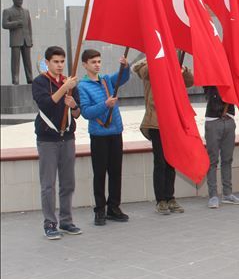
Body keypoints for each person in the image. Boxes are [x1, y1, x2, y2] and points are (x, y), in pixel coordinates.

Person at [32, 46, 81, 239]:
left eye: (62, 61)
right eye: (56, 62)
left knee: (68, 182)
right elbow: (46, 103)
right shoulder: (40, 82)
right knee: (48, 184)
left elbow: (77, 113)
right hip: (47, 140)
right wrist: (64, 88)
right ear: (48, 62)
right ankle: (50, 223)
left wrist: (74, 105)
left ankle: (66, 221)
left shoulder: (70, 83)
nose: (60, 65)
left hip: (67, 137)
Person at [78, 49, 130, 226]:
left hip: (116, 132)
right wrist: (105, 104)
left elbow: (122, 78)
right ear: (85, 65)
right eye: (93, 62)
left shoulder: (106, 80)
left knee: (116, 172)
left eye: (99, 61)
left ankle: (114, 207)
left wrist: (125, 66)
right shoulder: (82, 86)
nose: (97, 65)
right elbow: (86, 112)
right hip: (99, 135)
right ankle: (99, 210)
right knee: (99, 173)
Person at [133, 59, 192, 214]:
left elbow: (190, 82)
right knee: (160, 161)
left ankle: (170, 197)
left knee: (171, 161)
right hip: (156, 122)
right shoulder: (147, 65)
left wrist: (183, 70)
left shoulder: (173, 65)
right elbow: (146, 72)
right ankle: (161, 200)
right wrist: (161, 61)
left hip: (172, 121)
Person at [203, 85, 239, 208]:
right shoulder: (210, 77)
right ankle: (213, 195)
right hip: (213, 120)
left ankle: (227, 193)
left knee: (227, 159)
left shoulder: (230, 74)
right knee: (212, 160)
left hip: (229, 120)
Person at [2, 0, 33, 85]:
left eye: (21, 0)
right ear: (14, 0)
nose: (20, 2)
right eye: (18, 0)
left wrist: (30, 39)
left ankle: (30, 78)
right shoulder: (7, 11)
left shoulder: (26, 11)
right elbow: (4, 24)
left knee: (28, 61)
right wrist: (16, 23)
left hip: (26, 40)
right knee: (15, 61)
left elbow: (29, 27)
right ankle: (15, 79)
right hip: (15, 40)